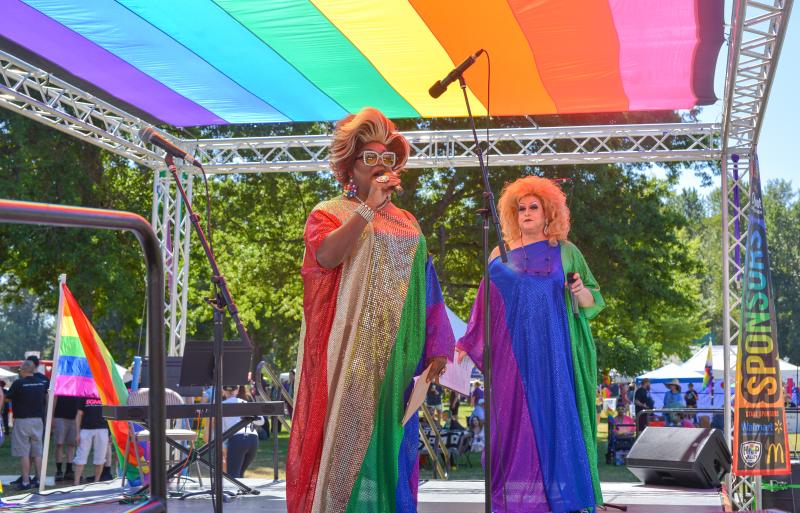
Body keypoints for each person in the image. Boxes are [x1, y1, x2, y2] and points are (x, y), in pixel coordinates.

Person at [286, 107, 454, 513]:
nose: (381, 166)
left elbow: (427, 287)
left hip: (400, 362)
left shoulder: (409, 223)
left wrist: (437, 349)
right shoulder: (328, 213)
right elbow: (325, 257)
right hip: (349, 364)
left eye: (388, 159)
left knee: (395, 455)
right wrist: (367, 209)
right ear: (350, 169)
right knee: (345, 455)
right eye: (370, 158)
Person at [456, 176, 604, 513]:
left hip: (556, 354)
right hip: (513, 359)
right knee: (512, 428)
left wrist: (579, 291)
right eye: (520, 208)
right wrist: (468, 341)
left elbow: (592, 301)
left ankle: (564, 503)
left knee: (557, 424)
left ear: (549, 212)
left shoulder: (566, 252)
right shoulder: (499, 252)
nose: (526, 213)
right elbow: (484, 303)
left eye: (533, 207)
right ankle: (516, 504)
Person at [6, 360, 47, 490]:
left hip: (23, 421)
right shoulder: (41, 383)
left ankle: (25, 482)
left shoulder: (18, 383)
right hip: (38, 421)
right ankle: (40, 480)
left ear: (23, 370)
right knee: (37, 452)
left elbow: (7, 398)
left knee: (24, 452)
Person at [222, 386, 263, 479]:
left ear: (223, 391)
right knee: (239, 475)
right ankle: (240, 493)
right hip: (253, 439)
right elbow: (261, 421)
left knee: (233, 476)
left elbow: (222, 430)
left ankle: (234, 493)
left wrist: (224, 448)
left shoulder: (222, 405)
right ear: (236, 390)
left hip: (237, 439)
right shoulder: (245, 403)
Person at [73, 395, 108, 485]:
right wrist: (77, 433)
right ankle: (76, 483)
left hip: (102, 429)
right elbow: (79, 415)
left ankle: (96, 483)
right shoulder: (84, 395)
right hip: (86, 429)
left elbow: (110, 414)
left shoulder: (104, 392)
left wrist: (111, 433)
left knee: (100, 458)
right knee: (81, 456)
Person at [53, 395, 80, 481]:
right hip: (59, 416)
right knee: (59, 444)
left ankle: (69, 470)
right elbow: (54, 398)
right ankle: (59, 470)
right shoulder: (60, 382)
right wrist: (51, 417)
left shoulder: (78, 383)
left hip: (74, 417)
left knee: (71, 445)